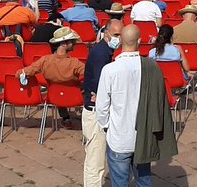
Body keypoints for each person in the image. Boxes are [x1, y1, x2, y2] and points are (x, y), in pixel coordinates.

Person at [96, 25, 177, 187]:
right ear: (139, 41)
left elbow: (102, 106)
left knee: (120, 182)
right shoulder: (152, 67)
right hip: (143, 136)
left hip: (118, 137)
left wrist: (106, 126)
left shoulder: (110, 70)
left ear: (120, 41)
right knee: (144, 180)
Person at [82, 19, 123, 187]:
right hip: (95, 112)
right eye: (116, 35)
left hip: (98, 109)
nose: (119, 39)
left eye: (121, 35)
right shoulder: (101, 54)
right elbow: (101, 82)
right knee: (95, 160)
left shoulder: (106, 51)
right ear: (106, 33)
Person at [19, 27, 85, 124]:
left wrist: (21, 73)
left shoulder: (45, 60)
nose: (74, 43)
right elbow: (89, 74)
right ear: (64, 44)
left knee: (58, 87)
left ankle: (65, 118)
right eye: (72, 41)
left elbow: (25, 71)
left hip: (54, 96)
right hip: (75, 97)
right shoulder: (75, 63)